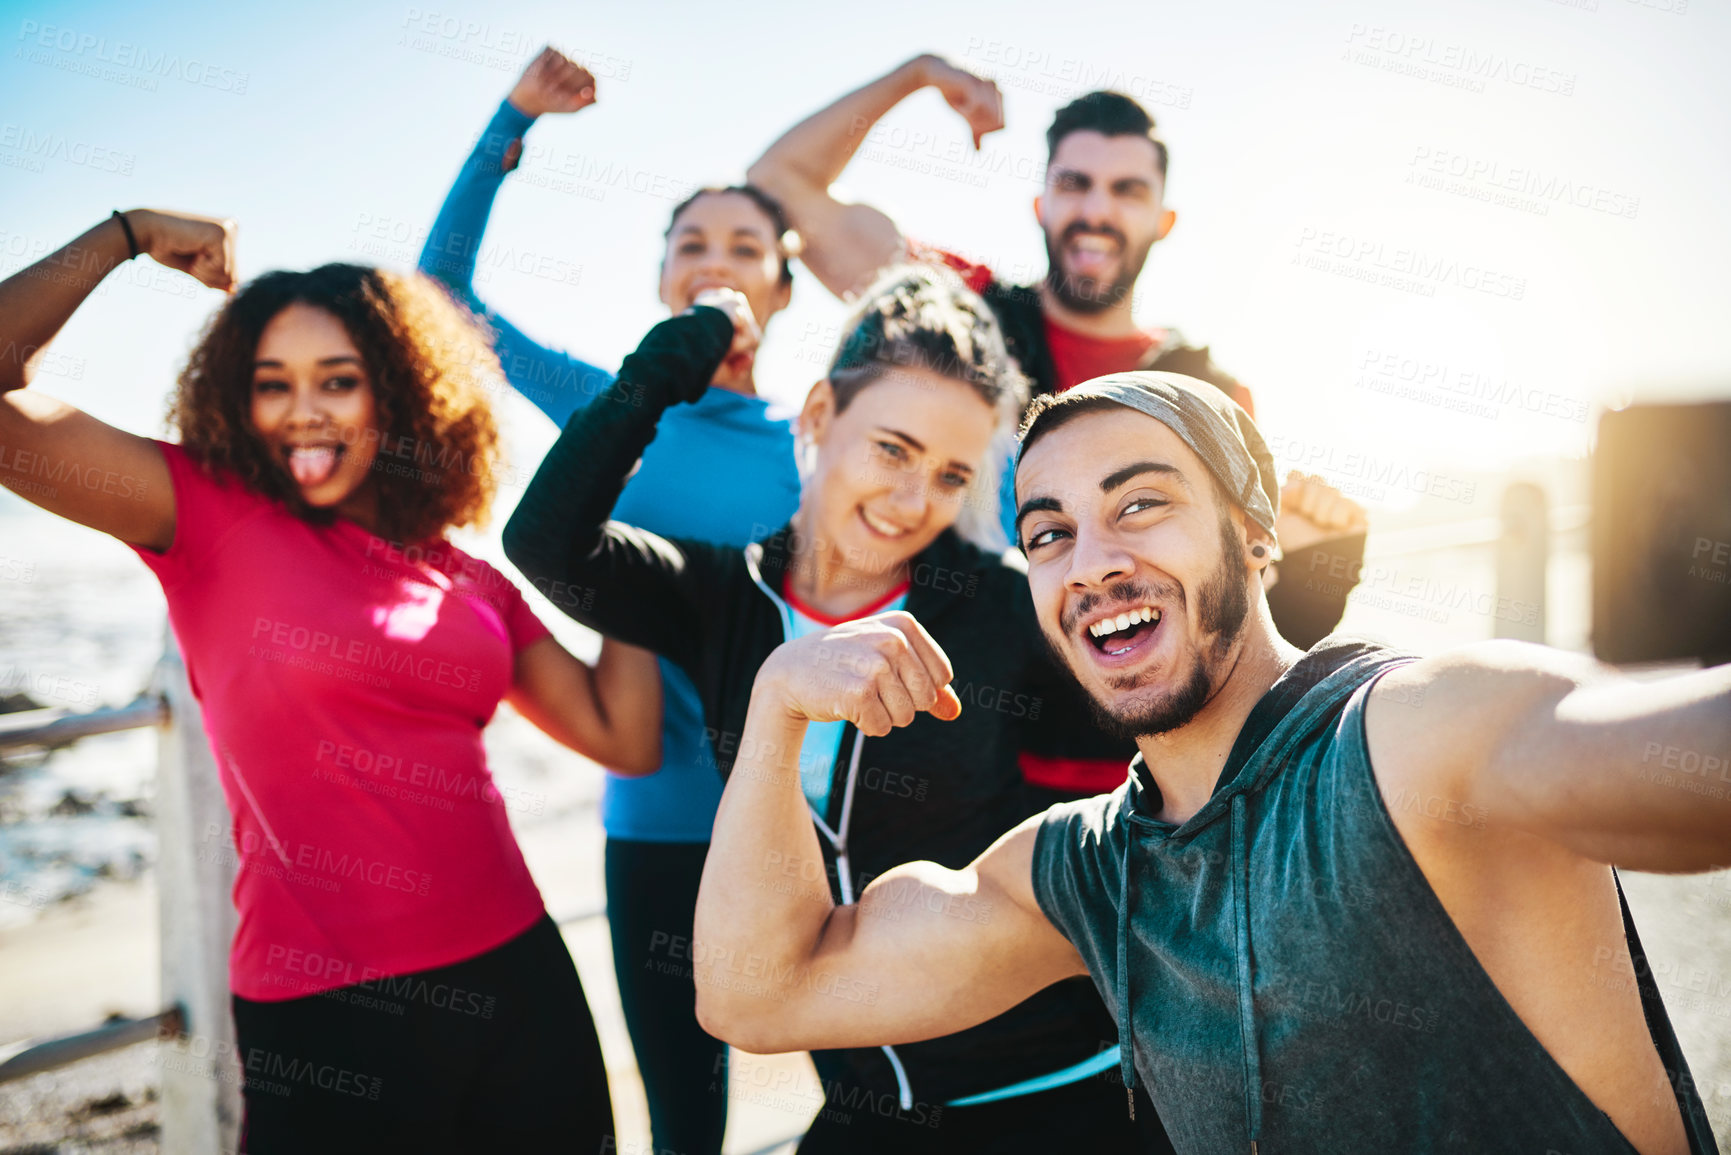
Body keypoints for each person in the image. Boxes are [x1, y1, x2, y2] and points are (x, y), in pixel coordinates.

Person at [691, 370, 1723, 1155]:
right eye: (1049, 533)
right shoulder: (1084, 873)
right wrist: (778, 700)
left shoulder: (1416, 729)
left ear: (1256, 531)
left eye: (1142, 504)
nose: (1094, 562)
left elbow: (1669, 755)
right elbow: (760, 994)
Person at [0, 209, 661, 1152]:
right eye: (272, 386)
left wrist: (629, 512)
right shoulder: (198, 512)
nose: (302, 410)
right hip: (324, 1014)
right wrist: (126, 235)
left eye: (337, 382)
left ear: (398, 393)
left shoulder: (462, 573)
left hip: (520, 975)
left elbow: (620, 734)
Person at [503, 268, 1176, 1152]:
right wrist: (683, 350)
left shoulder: (1000, 608)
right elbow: (543, 539)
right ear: (819, 414)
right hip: (868, 1103)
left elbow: (1171, 730)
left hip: (1061, 1092)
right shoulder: (720, 598)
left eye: (948, 475)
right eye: (891, 449)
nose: (910, 502)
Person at [748, 61, 1370, 783]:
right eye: (1074, 183)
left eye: (1126, 190)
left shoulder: (1208, 392)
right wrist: (917, 75)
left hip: (1145, 795)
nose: (1096, 210)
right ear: (1039, 203)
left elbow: (1238, 633)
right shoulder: (963, 319)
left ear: (1162, 220)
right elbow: (778, 184)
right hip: (958, 774)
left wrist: (1316, 562)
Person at [416, 46, 803, 1155]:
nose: (716, 261)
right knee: (685, 1120)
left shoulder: (819, 446)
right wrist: (510, 123)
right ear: (663, 278)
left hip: (803, 831)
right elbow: (441, 297)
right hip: (658, 830)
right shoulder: (612, 405)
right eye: (692, 244)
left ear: (780, 285)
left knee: (870, 1084)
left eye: (745, 246)